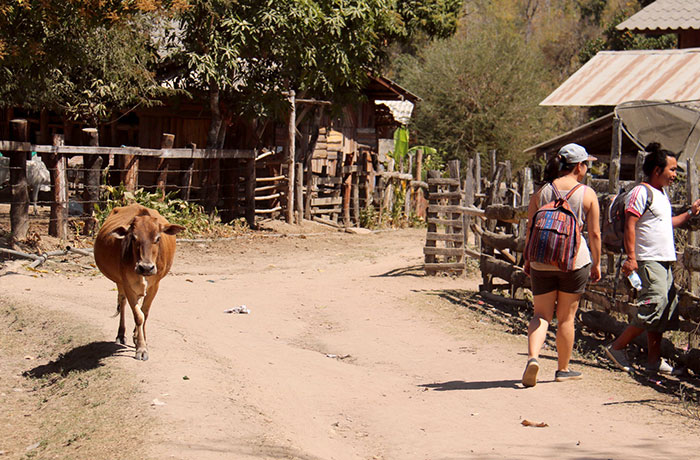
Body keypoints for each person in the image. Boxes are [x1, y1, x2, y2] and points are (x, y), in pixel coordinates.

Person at [604, 142, 700, 375]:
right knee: (654, 306)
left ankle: (654, 361)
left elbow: (668, 223)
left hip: (664, 260)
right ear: (657, 170)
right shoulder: (640, 192)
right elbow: (630, 224)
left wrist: (690, 213)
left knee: (664, 310)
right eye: (672, 169)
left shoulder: (661, 195)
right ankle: (616, 347)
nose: (675, 175)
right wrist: (631, 258)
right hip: (647, 259)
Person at [521, 143, 601, 388]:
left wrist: (527, 259)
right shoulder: (586, 193)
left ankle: (533, 357)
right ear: (579, 166)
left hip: (541, 260)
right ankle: (562, 369)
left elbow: (530, 228)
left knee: (541, 314)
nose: (587, 168)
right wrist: (596, 264)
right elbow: (595, 233)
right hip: (574, 262)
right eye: (586, 163)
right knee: (566, 317)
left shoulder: (542, 192)